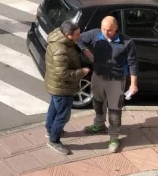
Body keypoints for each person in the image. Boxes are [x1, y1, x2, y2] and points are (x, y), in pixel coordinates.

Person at [78, 16, 138, 153]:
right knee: (97, 102)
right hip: (98, 76)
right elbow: (79, 39)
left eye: (109, 30)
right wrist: (87, 52)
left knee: (114, 110)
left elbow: (132, 63)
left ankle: (114, 137)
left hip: (116, 80)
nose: (106, 33)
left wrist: (133, 84)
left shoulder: (127, 42)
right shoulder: (95, 34)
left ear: (116, 28)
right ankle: (99, 124)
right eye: (104, 29)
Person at [44, 21, 90, 155]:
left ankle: (50, 130)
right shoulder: (60, 50)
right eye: (77, 35)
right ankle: (54, 140)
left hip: (55, 85)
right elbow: (63, 74)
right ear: (68, 35)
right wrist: (82, 72)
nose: (79, 36)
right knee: (63, 116)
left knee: (54, 107)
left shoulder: (58, 42)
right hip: (62, 87)